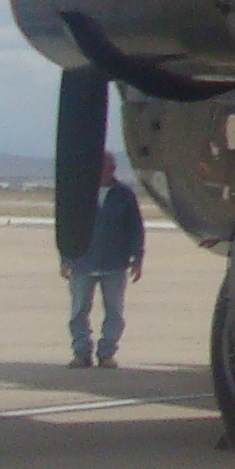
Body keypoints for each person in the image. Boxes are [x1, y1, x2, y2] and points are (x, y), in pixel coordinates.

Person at [61, 152, 145, 369]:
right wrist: (65, 257)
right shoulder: (80, 193)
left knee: (114, 312)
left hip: (114, 264)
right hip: (82, 262)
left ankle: (107, 353)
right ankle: (81, 353)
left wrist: (137, 258)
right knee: (79, 311)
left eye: (108, 167)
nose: (104, 172)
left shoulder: (124, 195)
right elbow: (68, 227)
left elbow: (135, 228)